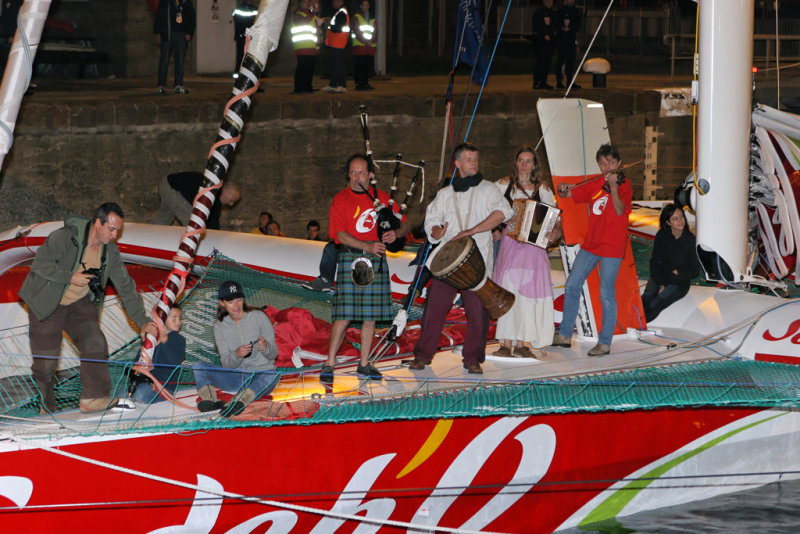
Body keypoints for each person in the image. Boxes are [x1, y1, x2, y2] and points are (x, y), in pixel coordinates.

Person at [18, 202, 158, 413]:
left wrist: (143, 320)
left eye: (117, 231)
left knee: (95, 341)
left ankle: (94, 398)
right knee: (46, 364)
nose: (114, 235)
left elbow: (126, 286)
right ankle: (46, 407)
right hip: (47, 302)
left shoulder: (110, 251)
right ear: (97, 223)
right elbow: (40, 265)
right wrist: (69, 277)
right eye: (111, 229)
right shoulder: (64, 237)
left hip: (78, 304)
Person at [410, 143, 514, 374]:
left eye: (476, 159)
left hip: (477, 261)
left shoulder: (488, 189)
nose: (474, 163)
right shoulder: (445, 194)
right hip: (448, 261)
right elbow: (432, 221)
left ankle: (472, 358)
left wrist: (474, 230)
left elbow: (503, 212)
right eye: (469, 159)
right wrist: (436, 231)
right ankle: (423, 355)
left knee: (477, 311)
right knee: (435, 308)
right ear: (457, 164)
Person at [320, 154, 409, 383]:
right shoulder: (340, 199)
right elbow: (339, 235)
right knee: (343, 315)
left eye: (361, 172)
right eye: (352, 172)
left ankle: (364, 364)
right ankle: (329, 363)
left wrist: (396, 233)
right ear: (347, 175)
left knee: (370, 316)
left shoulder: (383, 199)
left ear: (371, 175)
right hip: (351, 259)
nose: (356, 177)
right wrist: (366, 246)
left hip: (377, 260)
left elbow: (405, 221)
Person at [552, 143, 633, 356]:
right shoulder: (596, 183)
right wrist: (564, 188)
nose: (607, 166)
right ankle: (565, 334)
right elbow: (570, 194)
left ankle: (604, 342)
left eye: (611, 162)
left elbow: (619, 210)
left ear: (618, 163)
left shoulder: (624, 185)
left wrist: (614, 187)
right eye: (603, 163)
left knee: (606, 293)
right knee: (572, 285)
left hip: (612, 247)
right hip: (591, 244)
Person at [492, 147, 558, 359]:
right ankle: (506, 343)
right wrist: (495, 227)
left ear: (534, 165)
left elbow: (554, 218)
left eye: (528, 161)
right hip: (510, 246)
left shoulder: (544, 189)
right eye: (521, 160)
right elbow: (488, 204)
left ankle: (522, 343)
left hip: (533, 250)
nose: (524, 165)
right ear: (516, 162)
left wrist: (552, 234)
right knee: (509, 292)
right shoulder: (504, 185)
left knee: (526, 296)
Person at [193, 280, 279, 417]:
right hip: (237, 377)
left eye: (238, 300)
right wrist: (237, 355)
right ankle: (209, 401)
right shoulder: (219, 326)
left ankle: (238, 402)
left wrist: (266, 347)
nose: (236, 305)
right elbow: (226, 363)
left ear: (243, 299)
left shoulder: (259, 317)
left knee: (272, 374)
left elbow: (273, 355)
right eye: (230, 301)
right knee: (199, 366)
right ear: (222, 303)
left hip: (261, 374)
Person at [641, 204, 698, 322]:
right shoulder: (662, 235)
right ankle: (627, 323)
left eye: (681, 216)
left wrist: (673, 277)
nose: (680, 221)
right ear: (668, 222)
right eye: (675, 218)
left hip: (679, 282)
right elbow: (655, 261)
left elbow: (694, 269)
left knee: (656, 303)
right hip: (661, 276)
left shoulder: (690, 239)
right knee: (645, 299)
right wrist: (662, 283)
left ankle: (637, 325)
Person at [132, 304, 186, 404]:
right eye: (174, 318)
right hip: (146, 382)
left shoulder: (179, 339)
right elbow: (138, 360)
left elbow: (174, 361)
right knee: (123, 393)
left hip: (164, 387)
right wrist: (137, 366)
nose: (178, 321)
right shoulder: (151, 338)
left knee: (141, 394)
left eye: (180, 318)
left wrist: (165, 342)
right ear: (162, 319)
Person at [152, 171, 241, 230]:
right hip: (172, 187)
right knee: (193, 222)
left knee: (163, 218)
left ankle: (151, 239)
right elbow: (212, 223)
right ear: (225, 192)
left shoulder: (215, 193)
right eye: (232, 200)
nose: (231, 204)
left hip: (167, 183)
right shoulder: (213, 194)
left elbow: (212, 220)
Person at [154, 0, 196, 95]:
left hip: (181, 34)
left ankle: (178, 84)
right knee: (164, 60)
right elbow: (159, 15)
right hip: (167, 34)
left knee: (180, 61)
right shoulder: (166, 2)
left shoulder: (186, 2)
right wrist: (158, 32)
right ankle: (161, 85)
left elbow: (192, 17)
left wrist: (190, 32)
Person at [291, 0, 322, 94]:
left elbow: (316, 29)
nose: (307, 4)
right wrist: (313, 13)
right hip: (302, 46)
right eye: (305, 2)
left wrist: (318, 43)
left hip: (312, 46)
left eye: (308, 2)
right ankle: (299, 87)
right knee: (302, 67)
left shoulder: (311, 14)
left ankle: (307, 86)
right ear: (300, 3)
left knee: (310, 68)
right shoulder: (297, 13)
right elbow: (303, 22)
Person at [321, 0, 349, 93]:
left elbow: (338, 28)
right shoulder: (339, 12)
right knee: (334, 64)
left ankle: (342, 85)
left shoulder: (341, 13)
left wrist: (329, 24)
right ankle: (333, 84)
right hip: (336, 42)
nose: (332, 3)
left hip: (338, 42)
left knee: (338, 64)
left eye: (334, 1)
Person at [351, 0, 377, 91]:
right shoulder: (356, 17)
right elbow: (357, 31)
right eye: (364, 5)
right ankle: (359, 83)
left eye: (367, 5)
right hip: (360, 47)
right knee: (359, 66)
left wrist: (372, 41)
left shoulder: (372, 18)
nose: (366, 6)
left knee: (366, 66)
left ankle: (365, 83)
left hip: (369, 48)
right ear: (360, 6)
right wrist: (366, 42)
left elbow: (375, 31)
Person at [555, 0, 581, 89]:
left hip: (571, 39)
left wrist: (571, 30)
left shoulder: (576, 11)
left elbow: (577, 25)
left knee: (571, 62)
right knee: (560, 61)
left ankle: (570, 82)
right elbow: (557, 23)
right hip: (562, 39)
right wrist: (561, 28)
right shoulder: (561, 10)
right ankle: (559, 81)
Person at [532, 0, 556, 90]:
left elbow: (554, 26)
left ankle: (543, 82)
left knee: (547, 62)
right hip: (540, 42)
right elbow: (536, 27)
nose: (550, 2)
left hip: (550, 43)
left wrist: (553, 35)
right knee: (540, 62)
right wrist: (543, 35)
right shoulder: (538, 13)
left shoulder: (553, 13)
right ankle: (536, 82)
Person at [232, 0, 259, 78]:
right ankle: (238, 74)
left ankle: (246, 74)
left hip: (249, 37)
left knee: (250, 57)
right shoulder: (240, 9)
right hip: (243, 36)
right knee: (241, 56)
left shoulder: (254, 9)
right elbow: (240, 22)